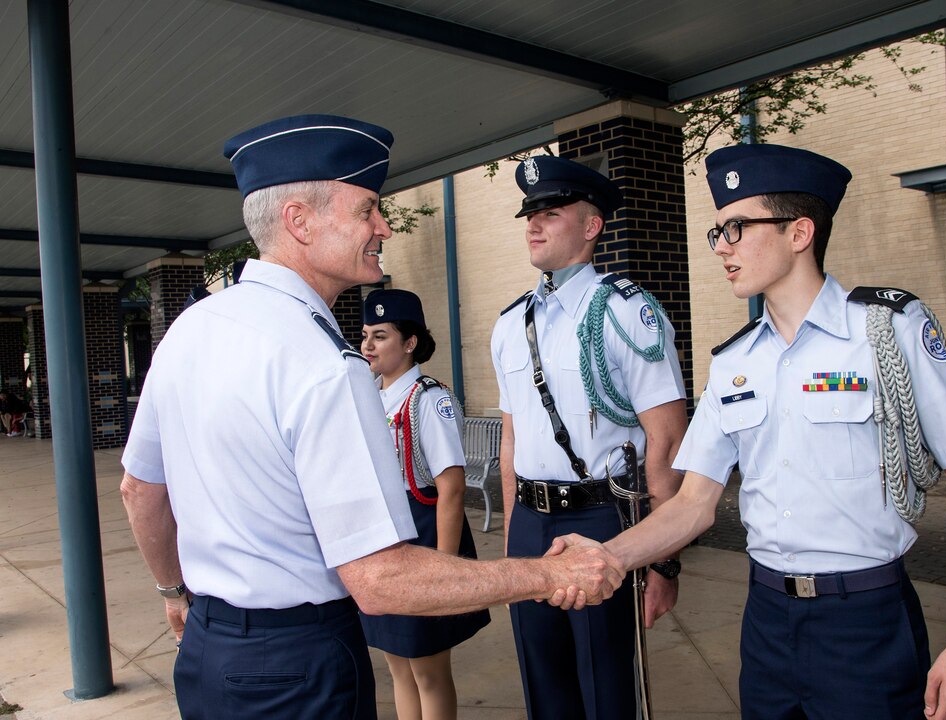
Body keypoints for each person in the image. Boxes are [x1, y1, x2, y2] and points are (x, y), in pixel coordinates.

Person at [119, 115, 624, 720]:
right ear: (299, 221)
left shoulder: (189, 329)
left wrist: (174, 591)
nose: (383, 226)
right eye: (366, 210)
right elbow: (382, 581)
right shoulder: (324, 365)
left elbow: (140, 487)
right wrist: (547, 577)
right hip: (297, 666)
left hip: (207, 646)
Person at [553, 143, 946, 720]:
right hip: (766, 622)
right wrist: (607, 556)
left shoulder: (887, 331)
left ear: (799, 232)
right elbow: (693, 503)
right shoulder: (735, 363)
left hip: (864, 621)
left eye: (736, 228)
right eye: (717, 233)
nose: (722, 248)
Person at [490, 156, 688, 720]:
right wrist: (512, 543)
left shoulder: (630, 313)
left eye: (550, 213)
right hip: (531, 518)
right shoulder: (510, 324)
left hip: (603, 519)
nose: (534, 224)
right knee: (542, 683)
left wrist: (663, 561)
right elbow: (512, 443)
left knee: (606, 689)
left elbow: (667, 444)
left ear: (591, 225)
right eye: (530, 213)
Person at [359, 288, 490, 720]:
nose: (368, 346)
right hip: (385, 542)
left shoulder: (429, 398)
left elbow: (451, 488)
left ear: (410, 341)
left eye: (380, 336)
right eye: (365, 336)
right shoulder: (370, 397)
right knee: (398, 664)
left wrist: (444, 572)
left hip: (426, 536)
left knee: (429, 671)